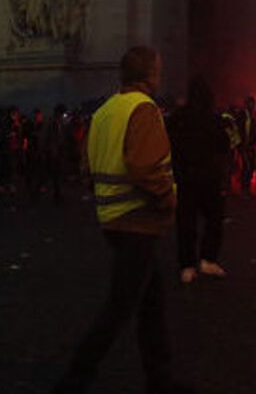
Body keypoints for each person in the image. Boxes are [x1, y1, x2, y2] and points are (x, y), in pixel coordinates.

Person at [52, 46, 189, 394]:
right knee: (119, 309)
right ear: (150, 74)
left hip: (112, 217)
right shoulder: (143, 109)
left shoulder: (105, 110)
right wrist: (167, 197)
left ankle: (160, 379)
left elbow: (85, 167)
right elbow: (145, 167)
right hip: (137, 219)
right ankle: (73, 379)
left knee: (151, 303)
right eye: (158, 68)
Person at [166, 75, 230, 284]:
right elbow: (224, 147)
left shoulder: (178, 118)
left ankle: (187, 266)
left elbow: (170, 146)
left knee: (186, 223)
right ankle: (208, 259)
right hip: (209, 179)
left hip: (184, 179)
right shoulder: (214, 118)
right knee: (214, 218)